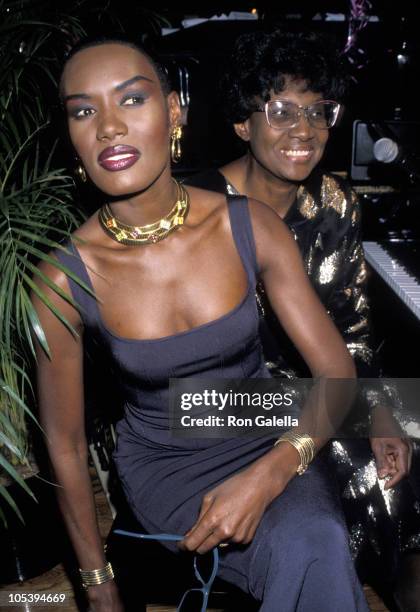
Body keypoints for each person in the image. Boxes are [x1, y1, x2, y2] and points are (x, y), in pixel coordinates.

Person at [31, 37, 369, 612]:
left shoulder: (252, 225)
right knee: (318, 534)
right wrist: (97, 582)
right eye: (84, 110)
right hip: (167, 460)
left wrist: (269, 473)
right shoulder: (62, 278)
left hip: (268, 421)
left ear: (175, 113)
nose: (108, 127)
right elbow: (63, 443)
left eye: (131, 100)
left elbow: (340, 367)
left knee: (334, 515)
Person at [186, 29, 420, 607]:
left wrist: (383, 411)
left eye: (318, 112)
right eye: (282, 111)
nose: (306, 130)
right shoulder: (196, 210)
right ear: (244, 123)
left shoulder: (337, 203)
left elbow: (355, 328)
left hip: (325, 384)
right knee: (361, 464)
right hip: (215, 403)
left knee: (411, 427)